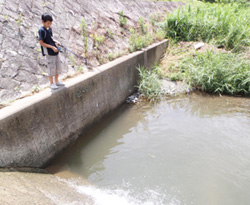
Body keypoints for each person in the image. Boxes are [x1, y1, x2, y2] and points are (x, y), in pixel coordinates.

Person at [38, 13, 64, 90]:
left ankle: (56, 81)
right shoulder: (41, 30)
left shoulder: (49, 29)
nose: (49, 25)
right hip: (49, 53)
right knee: (51, 68)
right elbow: (41, 43)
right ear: (43, 21)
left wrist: (56, 42)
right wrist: (52, 47)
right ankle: (51, 83)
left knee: (57, 67)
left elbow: (51, 38)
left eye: (50, 23)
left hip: (55, 51)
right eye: (48, 23)